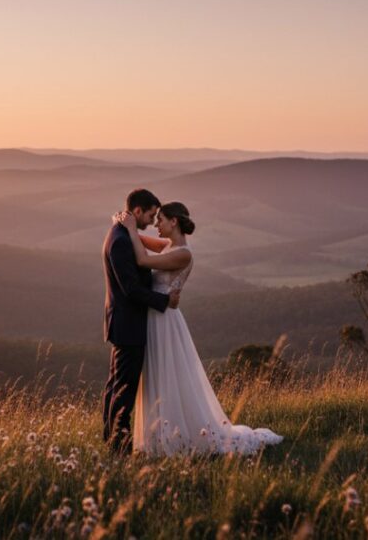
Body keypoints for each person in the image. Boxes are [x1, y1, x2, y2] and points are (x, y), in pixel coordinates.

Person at [114, 201, 283, 457]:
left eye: (160, 220)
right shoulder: (172, 246)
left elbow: (142, 258)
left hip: (165, 321)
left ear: (174, 222)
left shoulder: (184, 254)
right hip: (157, 316)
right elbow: (148, 243)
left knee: (168, 374)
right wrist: (128, 228)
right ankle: (159, 437)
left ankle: (177, 436)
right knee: (158, 374)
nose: (156, 224)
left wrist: (127, 228)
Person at [101, 188, 180, 455]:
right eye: (150, 214)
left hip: (123, 322)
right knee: (124, 389)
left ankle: (110, 440)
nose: (152, 219)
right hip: (129, 324)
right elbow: (131, 289)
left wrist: (134, 230)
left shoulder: (123, 234)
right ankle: (119, 449)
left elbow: (157, 247)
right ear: (136, 212)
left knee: (115, 386)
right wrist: (163, 301)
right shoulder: (122, 241)